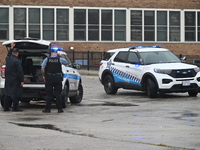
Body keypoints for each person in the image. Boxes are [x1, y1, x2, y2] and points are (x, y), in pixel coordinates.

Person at [41, 48, 68, 113]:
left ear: (50, 53)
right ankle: (59, 109)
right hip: (58, 77)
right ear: (56, 52)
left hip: (49, 77)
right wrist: (60, 56)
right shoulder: (59, 59)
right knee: (58, 94)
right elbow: (66, 62)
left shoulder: (47, 59)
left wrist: (44, 76)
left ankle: (47, 109)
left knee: (48, 94)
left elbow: (42, 67)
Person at [3, 42, 24, 112]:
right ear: (17, 53)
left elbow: (9, 54)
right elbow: (20, 72)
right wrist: (22, 80)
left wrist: (11, 47)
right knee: (16, 94)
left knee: (7, 93)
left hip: (8, 79)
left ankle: (6, 107)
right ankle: (15, 107)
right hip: (15, 80)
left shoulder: (8, 59)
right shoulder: (17, 61)